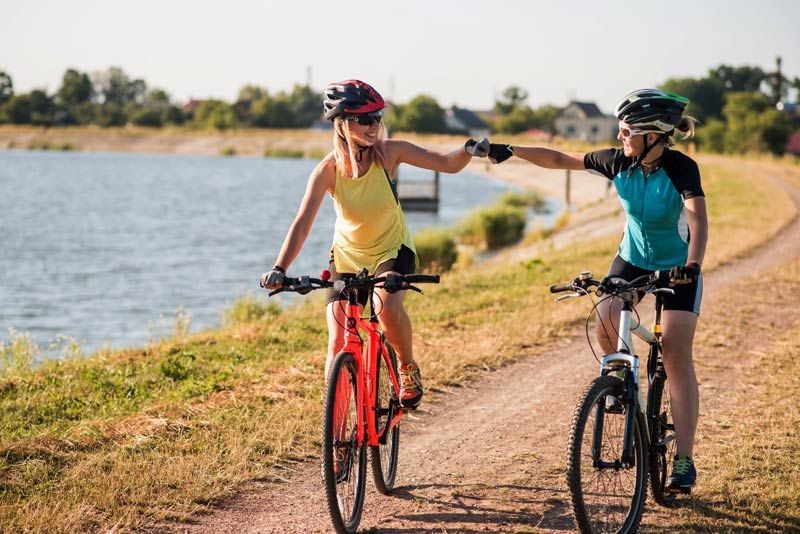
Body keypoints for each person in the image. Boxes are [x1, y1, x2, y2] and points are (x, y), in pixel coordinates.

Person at [488, 88, 707, 494]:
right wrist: (510, 149)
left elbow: (698, 217)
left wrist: (691, 266)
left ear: (654, 135)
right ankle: (618, 381)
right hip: (633, 257)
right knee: (605, 315)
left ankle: (684, 460)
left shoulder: (681, 168)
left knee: (675, 348)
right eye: (620, 130)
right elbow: (559, 159)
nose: (620, 137)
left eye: (627, 131)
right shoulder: (617, 161)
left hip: (678, 263)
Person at [261, 79, 489, 410]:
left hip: (392, 250)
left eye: (377, 117)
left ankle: (408, 367)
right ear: (342, 122)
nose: (374, 126)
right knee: (338, 341)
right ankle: (336, 437)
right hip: (347, 256)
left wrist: (468, 150)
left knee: (386, 307)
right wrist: (280, 267)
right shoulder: (327, 170)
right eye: (365, 119)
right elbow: (302, 224)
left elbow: (445, 162)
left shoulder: (389, 153)